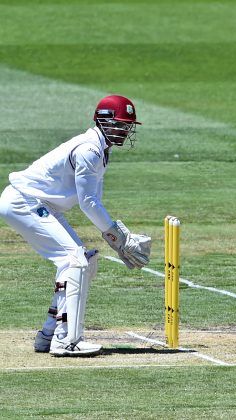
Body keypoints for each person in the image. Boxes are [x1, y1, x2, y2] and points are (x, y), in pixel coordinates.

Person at [0, 95, 152, 357]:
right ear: (103, 121)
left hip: (42, 204)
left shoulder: (101, 150)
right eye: (120, 124)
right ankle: (66, 340)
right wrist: (121, 239)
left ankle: (48, 335)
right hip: (24, 201)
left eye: (128, 126)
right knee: (75, 261)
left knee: (85, 261)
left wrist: (116, 241)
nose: (124, 130)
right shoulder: (88, 150)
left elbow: (95, 202)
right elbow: (88, 203)